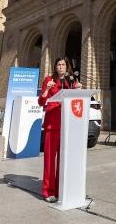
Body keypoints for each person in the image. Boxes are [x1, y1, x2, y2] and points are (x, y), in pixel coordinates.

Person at [38, 57, 81, 203]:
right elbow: (41, 101)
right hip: (52, 123)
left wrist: (78, 90)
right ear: (55, 67)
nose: (61, 67)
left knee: (63, 160)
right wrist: (48, 89)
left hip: (68, 124)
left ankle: (60, 188)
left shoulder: (71, 81)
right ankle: (48, 191)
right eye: (58, 65)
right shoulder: (49, 80)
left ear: (67, 67)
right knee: (50, 159)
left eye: (63, 65)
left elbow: (76, 100)